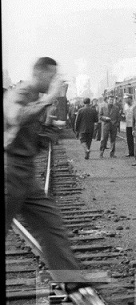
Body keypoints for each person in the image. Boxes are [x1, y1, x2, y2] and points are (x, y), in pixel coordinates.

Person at [4, 57, 85, 290]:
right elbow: (15, 117)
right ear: (39, 74)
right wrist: (49, 99)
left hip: (25, 172)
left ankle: (70, 278)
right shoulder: (22, 92)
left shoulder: (37, 98)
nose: (54, 82)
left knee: (49, 221)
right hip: (10, 169)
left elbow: (32, 135)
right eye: (52, 76)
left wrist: (49, 129)